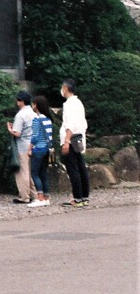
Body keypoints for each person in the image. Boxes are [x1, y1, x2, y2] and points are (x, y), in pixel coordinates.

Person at [59, 79, 90, 207]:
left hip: (70, 139)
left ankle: (77, 197)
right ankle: (84, 197)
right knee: (81, 167)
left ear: (65, 88)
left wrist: (66, 141)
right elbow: (83, 123)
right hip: (79, 138)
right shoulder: (78, 103)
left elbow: (69, 124)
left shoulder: (69, 104)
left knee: (73, 169)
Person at [7, 89, 37, 204]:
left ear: (21, 101)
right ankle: (34, 194)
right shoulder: (33, 113)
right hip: (33, 144)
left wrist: (10, 129)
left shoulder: (20, 115)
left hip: (22, 146)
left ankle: (24, 196)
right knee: (31, 171)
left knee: (22, 172)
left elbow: (17, 133)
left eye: (18, 100)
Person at [27, 95, 54, 207]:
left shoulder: (36, 119)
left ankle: (40, 198)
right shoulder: (48, 119)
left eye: (33, 104)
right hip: (47, 149)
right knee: (44, 174)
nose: (32, 106)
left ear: (36, 105)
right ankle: (46, 198)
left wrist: (30, 148)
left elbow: (35, 136)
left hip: (38, 149)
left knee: (35, 173)